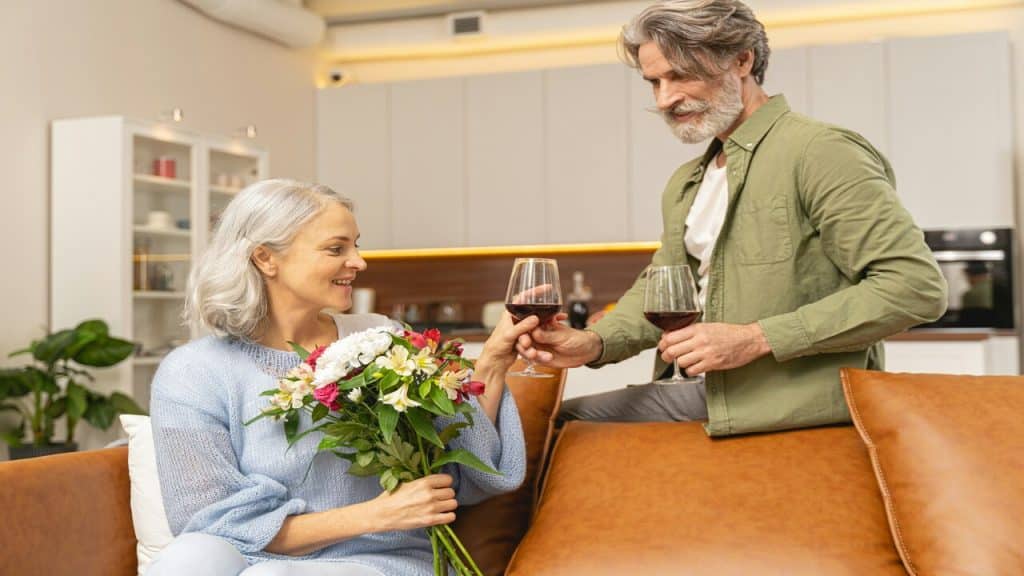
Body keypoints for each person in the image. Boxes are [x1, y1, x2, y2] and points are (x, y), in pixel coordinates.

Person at [517, 0, 947, 436]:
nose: (666, 99)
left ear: (743, 60)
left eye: (682, 74)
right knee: (536, 422)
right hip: (702, 391)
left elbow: (913, 286)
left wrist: (755, 338)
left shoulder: (819, 152)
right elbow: (662, 292)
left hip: (782, 402)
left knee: (557, 425)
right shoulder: (688, 180)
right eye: (654, 82)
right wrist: (594, 343)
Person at [147, 179, 534, 576]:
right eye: (337, 249)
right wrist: (374, 514)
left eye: (356, 245)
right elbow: (212, 522)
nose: (359, 262)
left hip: (379, 559)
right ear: (266, 258)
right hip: (251, 554)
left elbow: (465, 465)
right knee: (187, 558)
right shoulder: (193, 372)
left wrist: (491, 363)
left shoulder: (382, 341)